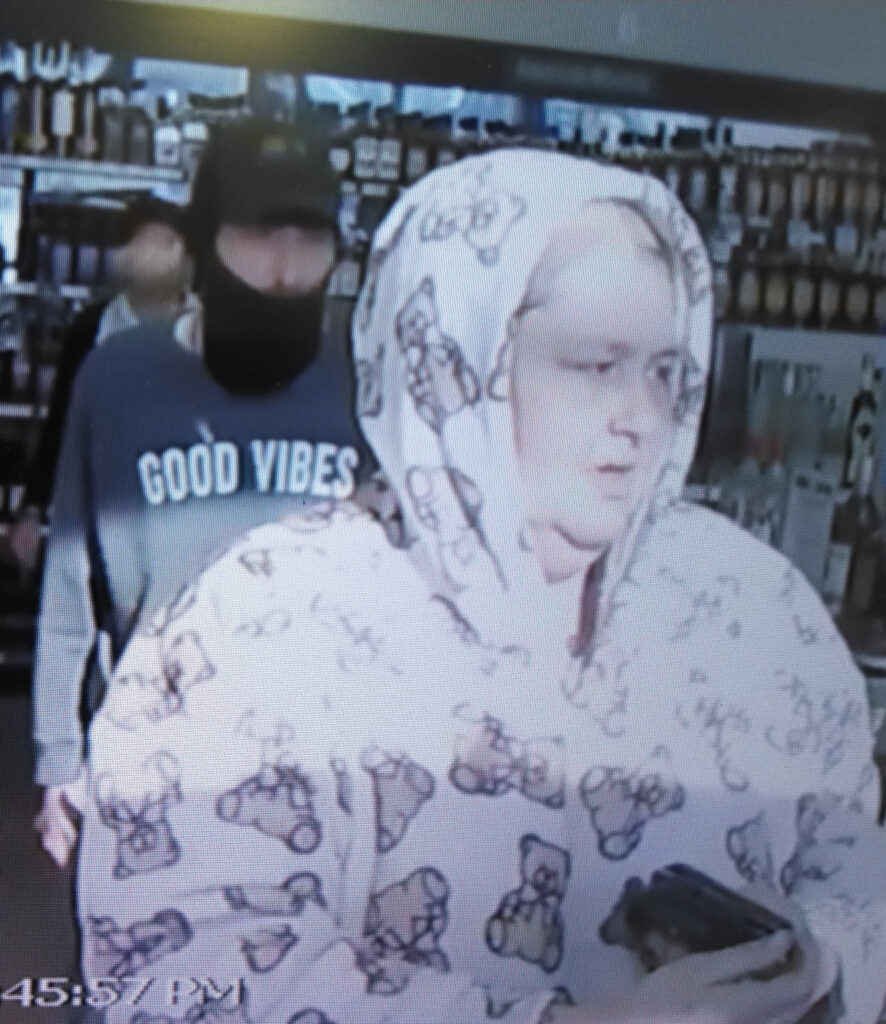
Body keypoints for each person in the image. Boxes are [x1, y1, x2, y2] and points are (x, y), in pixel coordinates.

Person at [49, 151, 886, 1023]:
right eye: (594, 365)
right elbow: (179, 966)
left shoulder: (759, 615)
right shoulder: (262, 622)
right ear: (453, 359)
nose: (641, 415)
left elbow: (858, 870)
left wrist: (821, 973)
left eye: (666, 369)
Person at [32, 122, 372, 857]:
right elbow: (69, 579)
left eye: (307, 234)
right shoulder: (119, 375)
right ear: (206, 239)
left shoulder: (371, 375)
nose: (284, 267)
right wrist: (58, 757)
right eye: (258, 231)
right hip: (152, 760)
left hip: (321, 773)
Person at [9, 198, 200, 575]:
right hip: (104, 510)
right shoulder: (94, 327)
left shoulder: (209, 330)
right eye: (143, 246)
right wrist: (32, 510)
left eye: (168, 245)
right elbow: (62, 423)